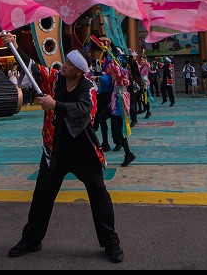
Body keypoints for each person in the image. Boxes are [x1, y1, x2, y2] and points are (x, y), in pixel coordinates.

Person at [8, 49, 123, 263]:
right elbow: (32, 67)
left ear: (79, 72)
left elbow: (85, 111)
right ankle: (32, 240)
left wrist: (56, 105)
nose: (64, 66)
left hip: (83, 152)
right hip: (55, 150)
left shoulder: (88, 88)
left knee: (98, 193)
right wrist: (13, 45)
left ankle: (111, 242)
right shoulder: (55, 79)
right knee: (42, 195)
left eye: (69, 64)